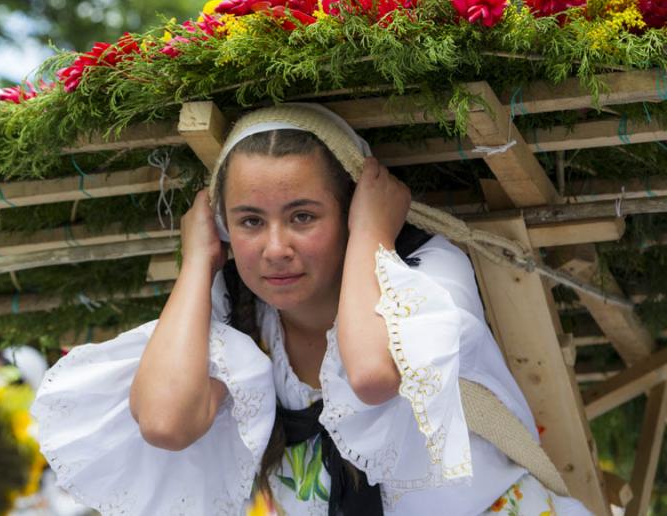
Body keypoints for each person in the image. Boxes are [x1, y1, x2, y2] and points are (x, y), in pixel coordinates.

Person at [31, 104, 591, 515]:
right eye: (250, 221)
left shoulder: (424, 269)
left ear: (349, 209)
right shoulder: (244, 317)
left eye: (303, 216)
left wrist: (372, 230)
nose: (275, 248)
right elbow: (163, 422)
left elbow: (373, 376)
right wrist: (198, 264)